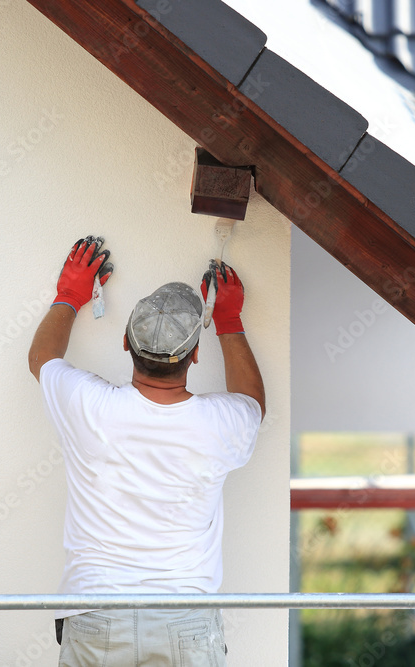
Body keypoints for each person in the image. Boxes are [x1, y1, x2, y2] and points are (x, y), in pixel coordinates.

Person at [28, 237, 265, 667]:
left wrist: (70, 295)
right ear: (194, 356)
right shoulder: (220, 424)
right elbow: (253, 404)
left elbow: (42, 358)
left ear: (125, 343)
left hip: (95, 613)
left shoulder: (90, 407)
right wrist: (229, 321)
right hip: (186, 621)